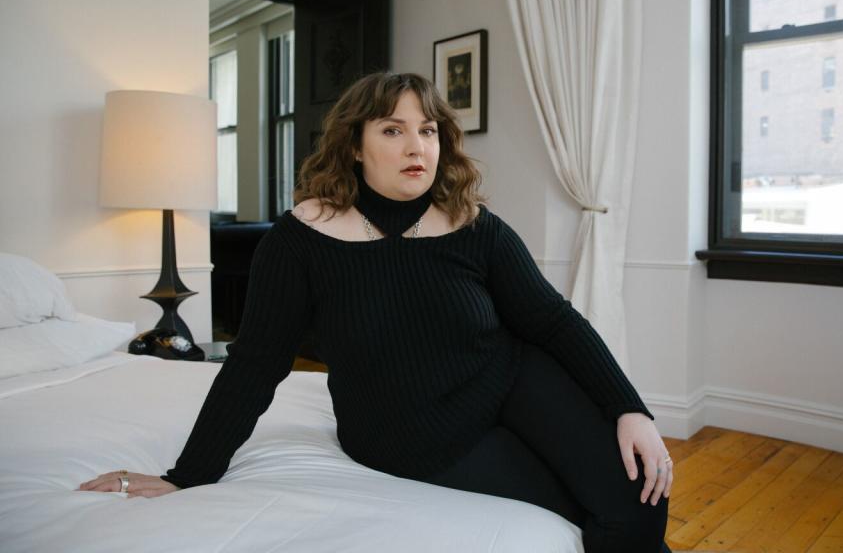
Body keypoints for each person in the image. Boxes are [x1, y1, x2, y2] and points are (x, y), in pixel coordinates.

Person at [78, 72, 674, 552]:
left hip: (511, 379)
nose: (418, 146)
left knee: (642, 497)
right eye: (393, 130)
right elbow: (256, 363)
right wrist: (189, 474)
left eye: (430, 130)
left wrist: (629, 408)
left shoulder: (474, 224)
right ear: (355, 146)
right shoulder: (300, 239)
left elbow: (552, 320)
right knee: (590, 513)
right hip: (414, 434)